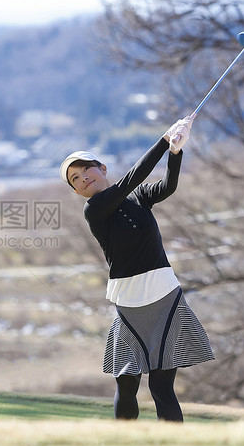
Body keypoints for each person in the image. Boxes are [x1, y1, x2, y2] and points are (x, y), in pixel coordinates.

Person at [60, 119, 214, 422]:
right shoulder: (94, 210)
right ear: (77, 191)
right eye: (75, 179)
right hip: (129, 301)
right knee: (127, 380)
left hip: (163, 295)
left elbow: (167, 186)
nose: (83, 178)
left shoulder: (138, 197)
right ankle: (127, 445)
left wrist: (175, 151)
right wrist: (163, 139)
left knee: (161, 385)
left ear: (102, 168)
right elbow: (131, 178)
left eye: (85, 169)